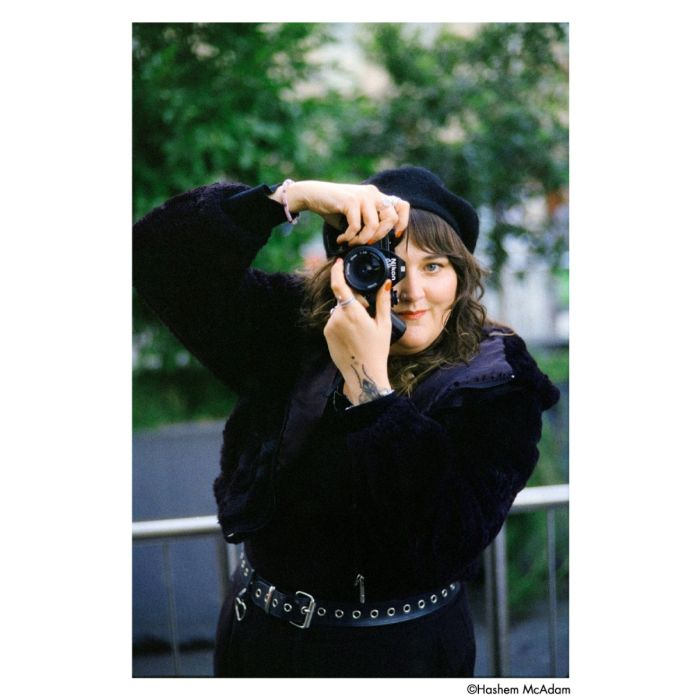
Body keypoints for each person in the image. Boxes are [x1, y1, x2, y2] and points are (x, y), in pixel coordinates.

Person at [132, 165, 560, 677]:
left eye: (434, 266)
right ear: (345, 268)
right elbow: (156, 257)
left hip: (396, 654)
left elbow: (440, 543)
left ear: (461, 276)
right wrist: (289, 198)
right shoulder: (296, 329)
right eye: (386, 265)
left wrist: (370, 383)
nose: (412, 292)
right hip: (259, 638)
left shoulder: (496, 382)